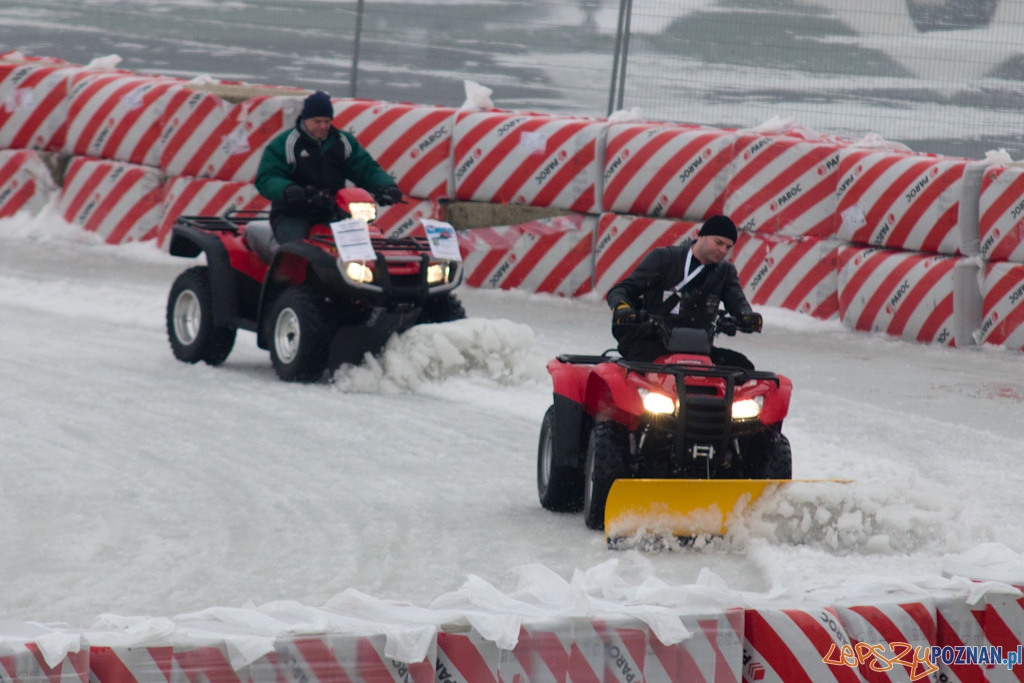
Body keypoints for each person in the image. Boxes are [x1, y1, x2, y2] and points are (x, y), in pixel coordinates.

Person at [605, 215, 763, 368]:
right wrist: (622, 308)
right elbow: (621, 290)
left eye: (728, 247)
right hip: (652, 342)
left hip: (697, 348)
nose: (723, 250)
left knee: (742, 367)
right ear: (701, 236)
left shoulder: (724, 271)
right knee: (649, 371)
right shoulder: (664, 258)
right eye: (718, 243)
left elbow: (737, 301)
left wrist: (746, 315)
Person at [255, 91, 403, 243]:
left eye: (327, 121)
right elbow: (267, 177)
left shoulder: (343, 142)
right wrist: (289, 190)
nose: (323, 126)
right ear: (305, 119)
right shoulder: (286, 144)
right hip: (293, 214)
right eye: (317, 121)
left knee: (367, 241)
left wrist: (387, 186)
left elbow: (366, 168)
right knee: (296, 250)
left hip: (335, 213)